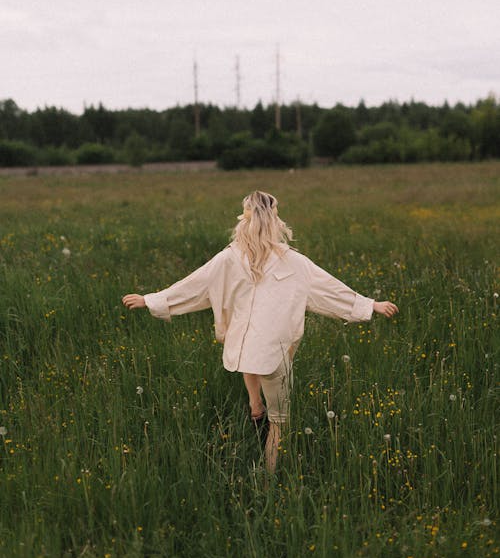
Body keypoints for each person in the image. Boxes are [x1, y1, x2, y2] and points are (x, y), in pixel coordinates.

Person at [122, 190, 398, 473]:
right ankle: (267, 480)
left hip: (243, 349)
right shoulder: (292, 260)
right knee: (279, 423)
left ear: (245, 219)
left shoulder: (229, 257)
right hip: (274, 352)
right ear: (275, 220)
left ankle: (255, 406)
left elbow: (197, 284)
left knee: (248, 339)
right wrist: (370, 305)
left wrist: (151, 299)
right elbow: (328, 288)